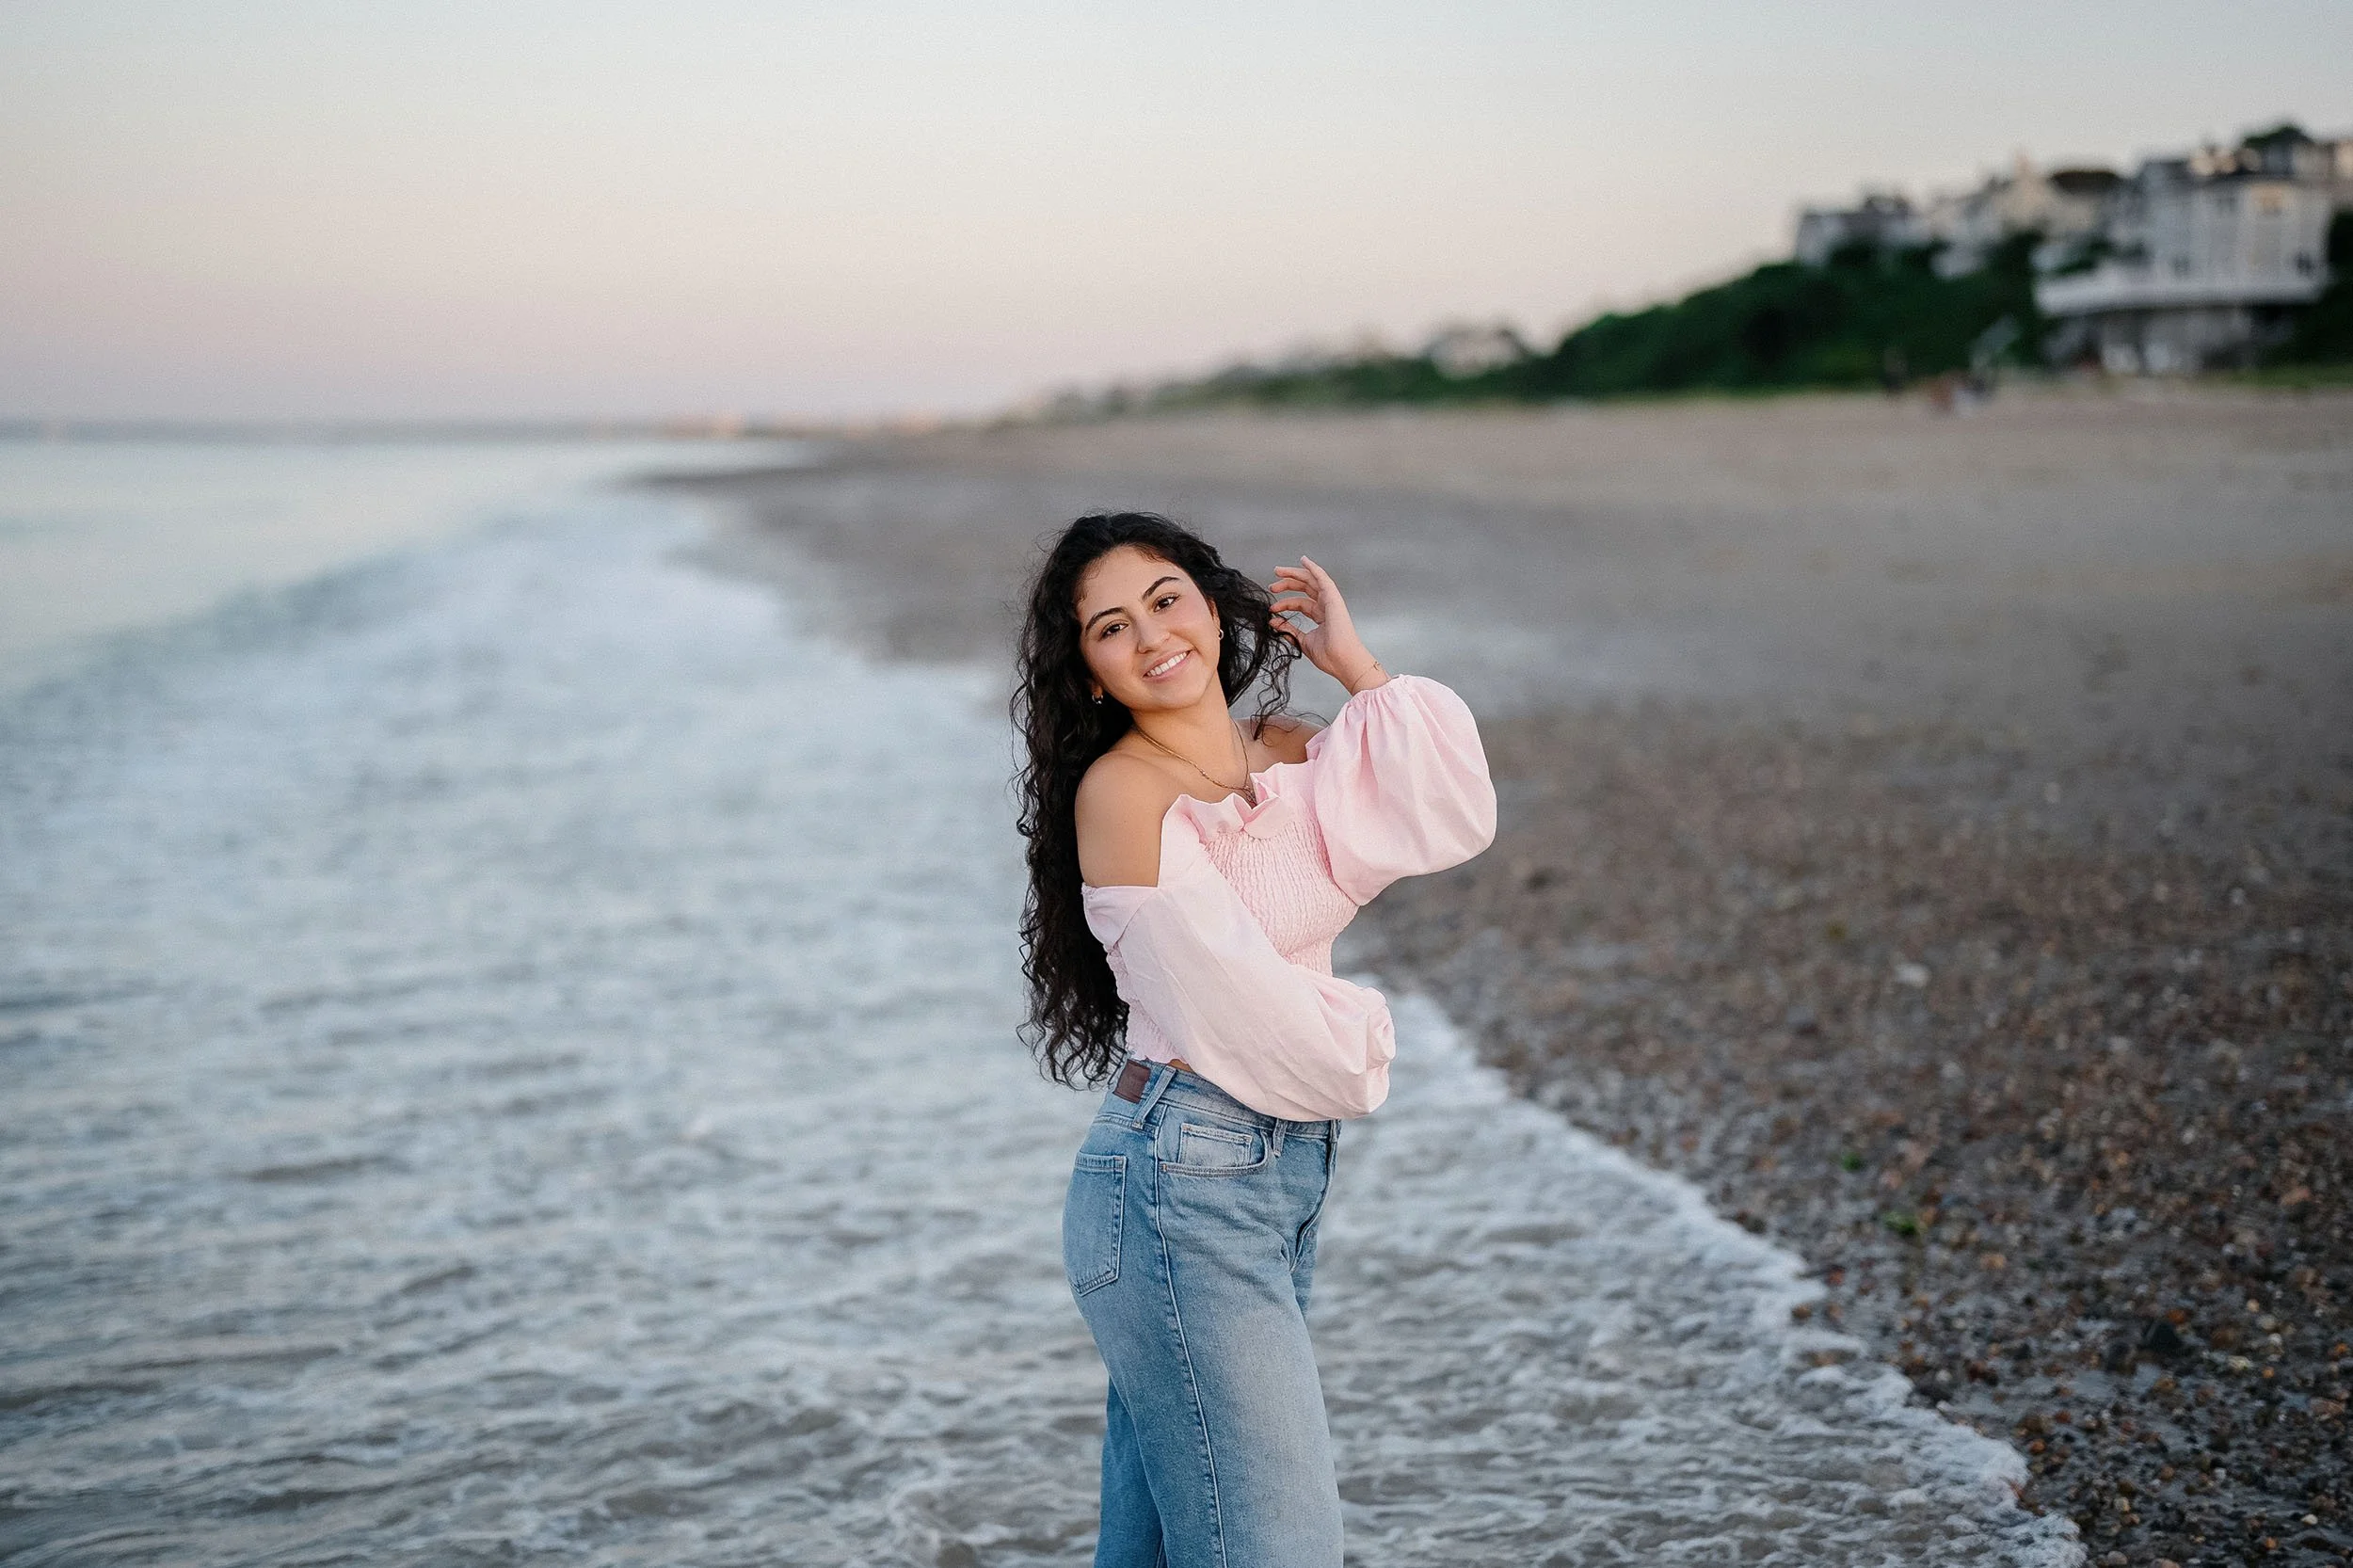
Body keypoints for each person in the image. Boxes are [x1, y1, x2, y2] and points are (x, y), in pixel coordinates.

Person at [1011, 511, 1497, 1567]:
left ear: (1207, 602)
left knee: (1166, 1546)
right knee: (1276, 1544)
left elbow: (1443, 812)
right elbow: (1230, 1001)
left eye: (1164, 598)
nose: (1150, 637)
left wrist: (1359, 668)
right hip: (1179, 1182)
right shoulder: (1122, 791)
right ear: (1090, 673)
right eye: (1109, 627)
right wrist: (1361, 1038)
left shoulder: (1282, 746)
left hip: (1266, 1172)